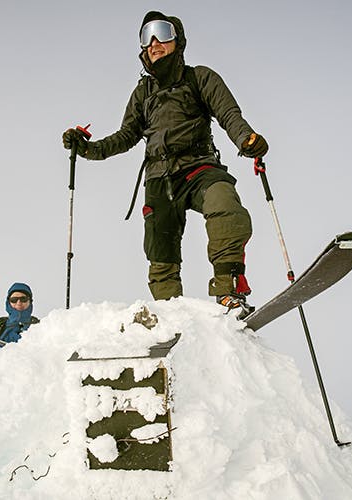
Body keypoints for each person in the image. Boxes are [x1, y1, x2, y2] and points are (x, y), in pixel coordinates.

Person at [62, 11, 268, 315]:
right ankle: (170, 311)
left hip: (199, 166)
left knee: (225, 205)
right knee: (160, 249)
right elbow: (125, 136)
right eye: (147, 37)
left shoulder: (200, 78)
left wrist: (246, 139)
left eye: (162, 33)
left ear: (178, 40)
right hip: (159, 177)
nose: (154, 42)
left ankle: (229, 293)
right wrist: (88, 149)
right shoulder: (142, 93)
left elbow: (229, 114)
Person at [0, 283, 40, 354]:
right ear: (8, 302)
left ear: (30, 301)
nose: (19, 302)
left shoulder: (39, 326)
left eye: (23, 299)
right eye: (14, 300)